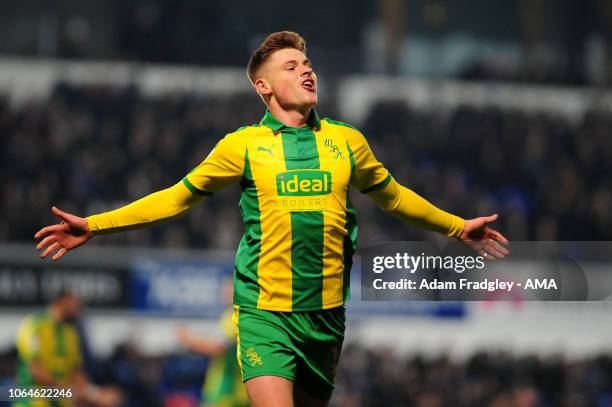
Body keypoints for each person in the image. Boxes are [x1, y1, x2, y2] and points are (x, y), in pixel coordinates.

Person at [35, 31, 509, 407]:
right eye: (291, 66)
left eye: (307, 64)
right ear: (262, 86)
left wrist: (455, 225)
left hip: (325, 318)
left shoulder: (348, 141)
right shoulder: (241, 146)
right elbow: (176, 199)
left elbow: (393, 196)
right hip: (265, 313)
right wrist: (96, 224)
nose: (306, 71)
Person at [13, 290, 122, 407]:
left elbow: (75, 373)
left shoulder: (71, 333)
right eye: (76, 304)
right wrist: (73, 392)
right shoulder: (34, 325)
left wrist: (96, 394)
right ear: (64, 301)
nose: (79, 309)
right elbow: (37, 371)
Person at [176, 279, 249, 407]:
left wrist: (189, 340)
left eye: (230, 289)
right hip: (237, 390)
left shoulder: (234, 317)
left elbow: (217, 347)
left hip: (226, 390)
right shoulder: (237, 316)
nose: (225, 293)